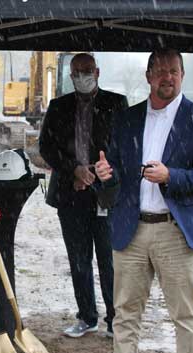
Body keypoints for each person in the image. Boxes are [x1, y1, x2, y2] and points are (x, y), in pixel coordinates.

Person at [90, 49, 193, 353]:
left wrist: (170, 176)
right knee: (125, 311)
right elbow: (114, 168)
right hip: (131, 227)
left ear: (182, 75)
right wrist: (106, 174)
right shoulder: (126, 118)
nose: (168, 77)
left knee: (185, 313)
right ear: (148, 76)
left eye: (174, 71)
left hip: (175, 231)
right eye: (161, 71)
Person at [39, 53, 128, 338]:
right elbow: (46, 148)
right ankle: (87, 317)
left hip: (105, 195)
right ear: (70, 75)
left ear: (98, 72)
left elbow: (126, 147)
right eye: (76, 72)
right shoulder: (58, 107)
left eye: (87, 71)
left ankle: (115, 320)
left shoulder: (116, 104)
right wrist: (73, 170)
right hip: (70, 193)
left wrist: (107, 169)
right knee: (78, 258)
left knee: (108, 260)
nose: (82, 76)